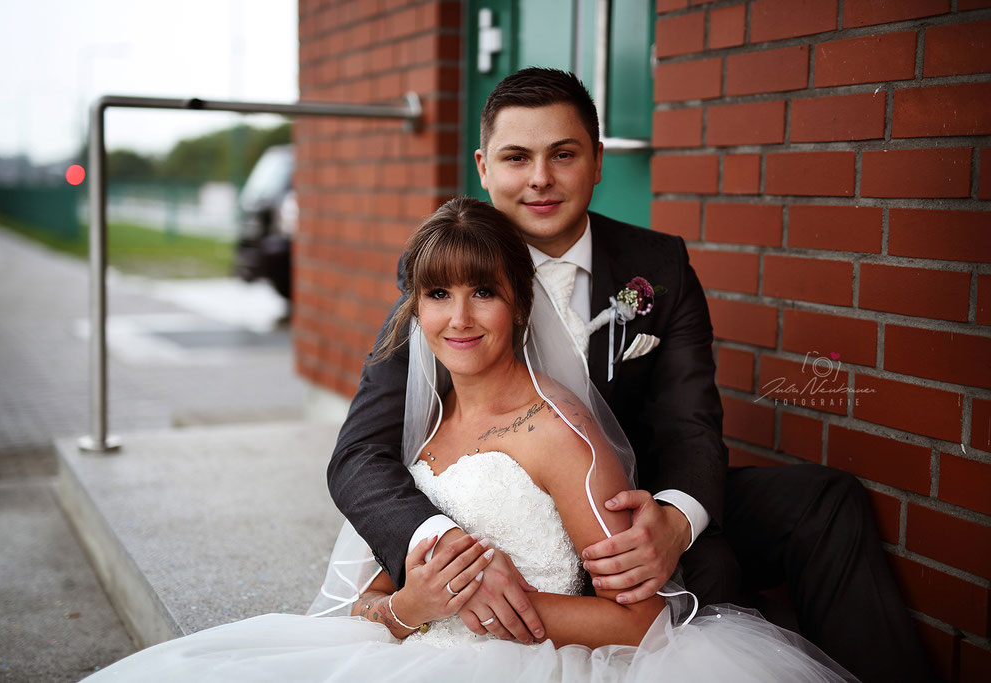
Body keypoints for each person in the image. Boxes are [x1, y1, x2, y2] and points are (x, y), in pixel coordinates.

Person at [85, 197, 852, 681]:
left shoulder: (562, 435)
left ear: (521, 305)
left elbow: (643, 619)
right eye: (439, 294)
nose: (459, 317)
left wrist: (496, 606)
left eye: (484, 291)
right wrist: (415, 603)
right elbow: (372, 602)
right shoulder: (424, 425)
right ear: (415, 309)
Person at [328, 69, 930, 682]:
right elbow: (356, 456)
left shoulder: (656, 265)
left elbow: (689, 418)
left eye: (563, 154)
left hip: (638, 502)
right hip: (536, 525)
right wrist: (444, 549)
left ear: (596, 162)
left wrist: (675, 518)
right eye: (517, 158)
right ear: (484, 168)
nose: (540, 178)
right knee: (710, 581)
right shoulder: (448, 277)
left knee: (824, 501)